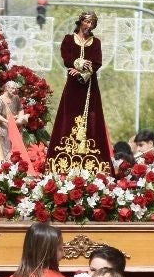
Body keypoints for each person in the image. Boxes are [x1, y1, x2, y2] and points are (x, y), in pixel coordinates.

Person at [47, 11, 111, 173]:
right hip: (72, 87)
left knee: (92, 117)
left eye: (92, 24)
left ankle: (92, 162)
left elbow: (97, 62)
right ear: (81, 22)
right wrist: (78, 64)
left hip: (89, 86)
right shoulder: (69, 39)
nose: (89, 26)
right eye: (87, 22)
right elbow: (66, 57)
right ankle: (64, 159)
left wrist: (83, 73)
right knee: (68, 117)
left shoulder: (95, 43)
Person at [0, 80, 27, 161]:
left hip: (16, 126)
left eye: (15, 88)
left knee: (17, 147)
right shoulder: (0, 99)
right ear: (7, 88)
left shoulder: (16, 98)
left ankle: (16, 164)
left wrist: (20, 119)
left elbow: (20, 109)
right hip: (5, 127)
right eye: (12, 88)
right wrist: (7, 121)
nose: (14, 90)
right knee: (6, 147)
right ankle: (6, 165)